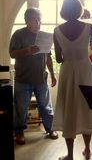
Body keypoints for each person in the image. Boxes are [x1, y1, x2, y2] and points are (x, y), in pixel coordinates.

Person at [52, 0, 92, 160]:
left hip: (67, 70)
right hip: (85, 70)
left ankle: (70, 155)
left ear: (64, 11)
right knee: (87, 107)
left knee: (69, 109)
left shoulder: (57, 31)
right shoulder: (88, 27)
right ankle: (87, 150)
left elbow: (59, 59)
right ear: (79, 10)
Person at [9, 7, 58, 145]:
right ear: (27, 21)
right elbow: (12, 53)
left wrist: (53, 75)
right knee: (21, 108)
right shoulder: (19, 34)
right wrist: (27, 51)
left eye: (39, 20)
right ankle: (19, 132)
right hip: (22, 80)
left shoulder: (44, 36)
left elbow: (48, 57)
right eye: (35, 20)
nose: (38, 23)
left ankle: (50, 129)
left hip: (41, 79)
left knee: (46, 106)